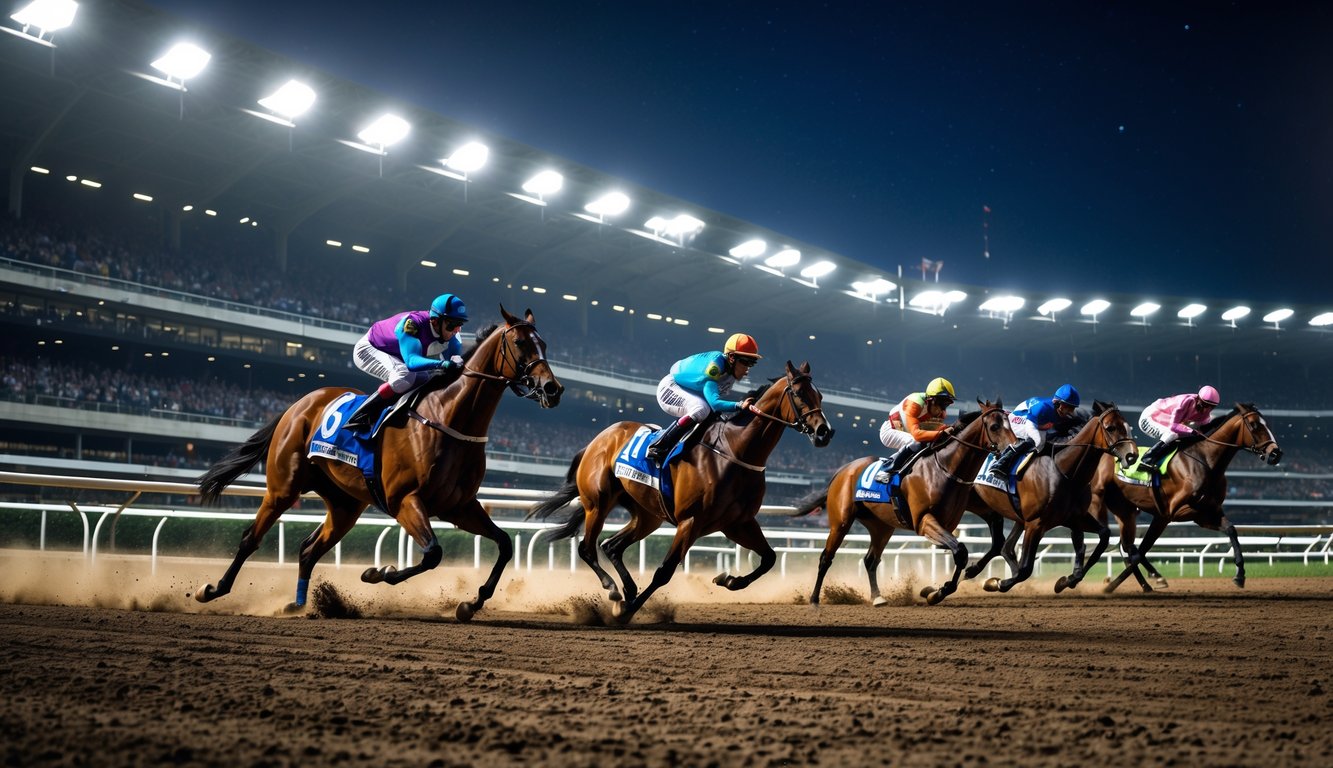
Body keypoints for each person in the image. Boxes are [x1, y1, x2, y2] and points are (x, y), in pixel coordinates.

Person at [343, 293, 469, 430]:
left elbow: (455, 366)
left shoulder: (454, 336)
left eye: (459, 324)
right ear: (435, 321)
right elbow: (411, 362)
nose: (456, 330)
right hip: (370, 349)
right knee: (404, 377)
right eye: (452, 325)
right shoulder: (412, 324)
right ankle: (361, 415)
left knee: (426, 380)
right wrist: (441, 364)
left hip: (398, 356)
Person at [645, 332, 760, 464]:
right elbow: (715, 403)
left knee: (713, 416)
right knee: (701, 409)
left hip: (688, 389)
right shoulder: (714, 367)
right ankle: (659, 446)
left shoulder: (730, 372)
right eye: (746, 362)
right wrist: (739, 405)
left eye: (752, 364)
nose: (747, 370)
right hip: (671, 387)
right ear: (732, 357)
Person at [988, 384, 1080, 481]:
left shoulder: (1059, 412)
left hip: (1035, 422)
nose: (1070, 411)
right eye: (1067, 407)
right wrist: (1038, 441)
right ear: (1057, 403)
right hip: (1019, 419)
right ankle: (1001, 464)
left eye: (1072, 408)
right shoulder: (1043, 407)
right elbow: (1030, 427)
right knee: (1036, 439)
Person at [873, 377, 956, 483]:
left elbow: (933, 432)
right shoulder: (914, 403)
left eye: (947, 404)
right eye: (942, 404)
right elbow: (917, 435)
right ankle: (885, 470)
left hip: (908, 434)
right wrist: (941, 432)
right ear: (931, 400)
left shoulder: (941, 413)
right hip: (890, 431)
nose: (943, 409)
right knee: (914, 441)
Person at [1137, 385, 1221, 470]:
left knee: (1183, 438)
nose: (1207, 410)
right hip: (1149, 418)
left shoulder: (1205, 414)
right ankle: (1146, 460)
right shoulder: (1185, 402)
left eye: (1211, 407)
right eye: (1206, 405)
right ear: (1199, 399)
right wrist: (1192, 431)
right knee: (1171, 435)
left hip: (1165, 421)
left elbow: (1203, 432)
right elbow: (1173, 426)